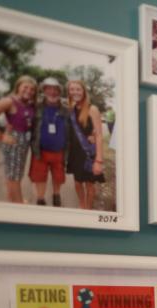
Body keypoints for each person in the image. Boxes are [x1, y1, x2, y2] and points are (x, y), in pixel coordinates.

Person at [0, 75, 37, 203]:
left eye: (32, 89)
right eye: (25, 87)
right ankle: (18, 204)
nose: (28, 91)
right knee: (15, 177)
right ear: (18, 87)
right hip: (14, 141)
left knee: (13, 174)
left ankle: (11, 199)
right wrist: (0, 135)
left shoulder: (28, 103)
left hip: (23, 142)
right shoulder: (9, 101)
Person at [29, 77, 70, 207]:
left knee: (58, 176)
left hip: (59, 151)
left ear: (59, 92)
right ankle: (40, 198)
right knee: (39, 176)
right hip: (40, 150)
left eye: (55, 89)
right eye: (49, 89)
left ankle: (56, 195)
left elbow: (76, 126)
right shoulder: (36, 107)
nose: (52, 92)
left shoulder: (66, 109)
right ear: (44, 91)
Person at [65, 80, 105, 210]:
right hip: (75, 153)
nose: (75, 92)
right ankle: (82, 204)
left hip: (88, 153)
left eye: (78, 89)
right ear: (69, 92)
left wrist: (99, 160)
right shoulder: (70, 109)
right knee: (77, 182)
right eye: (72, 89)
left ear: (83, 92)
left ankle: (88, 208)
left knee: (89, 184)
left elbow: (99, 135)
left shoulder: (92, 109)